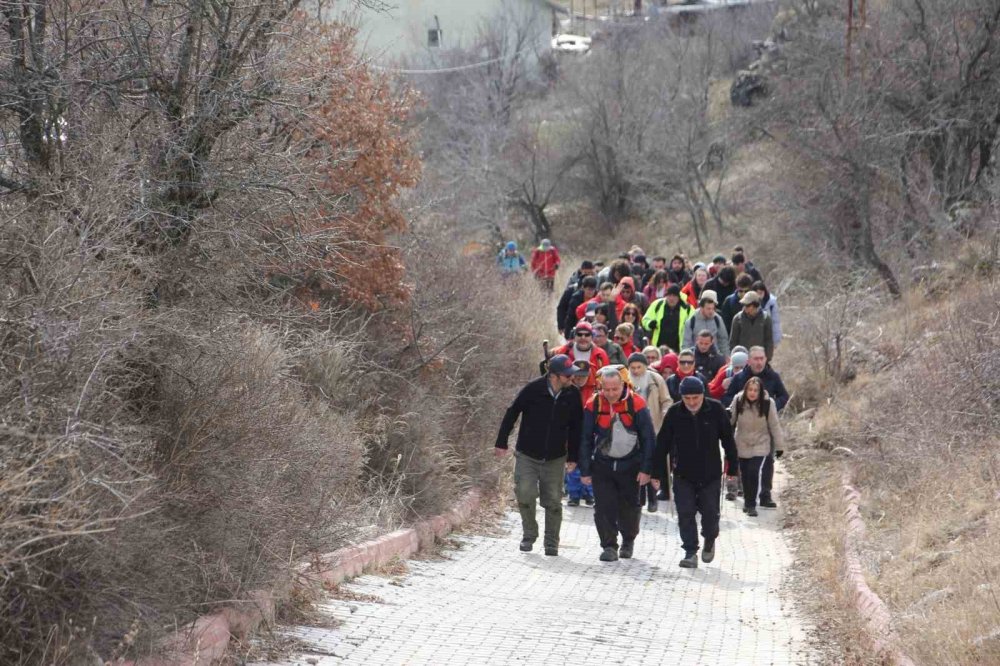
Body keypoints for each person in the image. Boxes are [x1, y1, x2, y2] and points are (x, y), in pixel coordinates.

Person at [495, 355, 587, 556]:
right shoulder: (533, 390)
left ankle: (551, 542)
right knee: (525, 493)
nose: (572, 378)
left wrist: (573, 457)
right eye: (567, 375)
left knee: (553, 500)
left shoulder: (572, 395)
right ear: (554, 375)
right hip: (527, 454)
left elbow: (577, 427)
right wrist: (501, 442)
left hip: (555, 457)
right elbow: (512, 413)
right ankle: (529, 534)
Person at [654, 376, 739, 568]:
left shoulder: (715, 409)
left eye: (696, 398)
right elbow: (662, 445)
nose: (692, 402)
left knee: (710, 514)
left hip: (710, 474)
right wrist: (657, 474)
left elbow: (728, 441)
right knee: (685, 512)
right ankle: (690, 551)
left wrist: (732, 468)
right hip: (683, 473)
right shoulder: (675, 413)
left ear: (702, 395)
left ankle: (710, 538)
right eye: (687, 398)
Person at [579, 367, 657, 562]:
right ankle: (608, 546)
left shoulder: (637, 404)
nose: (611, 394)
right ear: (601, 387)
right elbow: (585, 438)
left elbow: (648, 438)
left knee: (629, 507)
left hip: (631, 465)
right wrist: (585, 469)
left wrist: (647, 469)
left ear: (623, 385)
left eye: (615, 389)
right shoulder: (593, 404)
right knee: (603, 507)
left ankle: (628, 540)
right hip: (603, 465)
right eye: (607, 389)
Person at [723, 346, 790, 508]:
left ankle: (765, 494)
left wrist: (771, 407)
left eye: (762, 358)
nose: (759, 362)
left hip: (765, 427)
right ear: (749, 361)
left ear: (766, 359)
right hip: (744, 428)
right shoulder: (740, 378)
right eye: (756, 359)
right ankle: (747, 494)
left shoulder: (773, 377)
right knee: (746, 466)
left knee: (767, 461)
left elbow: (784, 396)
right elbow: (727, 397)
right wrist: (734, 408)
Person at [730, 376, 784, 517]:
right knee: (745, 474)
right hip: (742, 442)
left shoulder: (768, 403)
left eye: (756, 390)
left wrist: (779, 447)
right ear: (746, 390)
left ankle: (751, 504)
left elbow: (774, 425)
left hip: (761, 442)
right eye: (750, 390)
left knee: (754, 472)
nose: (752, 393)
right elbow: (731, 421)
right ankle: (747, 502)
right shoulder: (738, 400)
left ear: (760, 391)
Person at [628, 352, 669, 513]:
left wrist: (666, 412)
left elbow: (666, 400)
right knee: (636, 463)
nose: (636, 371)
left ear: (645, 366)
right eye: (633, 368)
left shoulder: (655, 379)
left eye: (639, 367)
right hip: (632, 427)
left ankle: (653, 498)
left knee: (651, 462)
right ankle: (639, 497)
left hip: (654, 426)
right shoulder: (625, 379)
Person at [552, 321, 610, 406]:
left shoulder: (600, 355)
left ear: (592, 337)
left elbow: (606, 379)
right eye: (579, 334)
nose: (583, 337)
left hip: (592, 401)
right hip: (566, 399)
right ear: (574, 336)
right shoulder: (562, 352)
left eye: (587, 335)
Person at [565, 360, 596, 507]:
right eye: (577, 376)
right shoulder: (568, 389)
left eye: (583, 376)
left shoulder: (596, 390)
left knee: (589, 462)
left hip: (590, 431)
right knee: (573, 463)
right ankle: (574, 494)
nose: (579, 379)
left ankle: (589, 493)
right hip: (573, 430)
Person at [642, 283, 692, 353]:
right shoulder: (657, 304)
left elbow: (693, 325)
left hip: (678, 349)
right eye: (669, 295)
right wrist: (649, 324)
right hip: (658, 349)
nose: (671, 298)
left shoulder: (688, 309)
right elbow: (645, 319)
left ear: (679, 297)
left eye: (674, 296)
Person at [682, 290, 730, 357]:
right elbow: (686, 344)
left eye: (713, 308)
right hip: (696, 359)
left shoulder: (718, 319)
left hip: (714, 359)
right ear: (701, 308)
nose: (711, 311)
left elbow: (723, 341)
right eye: (708, 309)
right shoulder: (691, 321)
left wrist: (727, 357)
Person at [729, 291, 774, 361]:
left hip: (759, 358)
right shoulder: (737, 318)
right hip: (743, 358)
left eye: (748, 305)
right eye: (744, 305)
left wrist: (767, 358)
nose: (745, 307)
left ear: (755, 305)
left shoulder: (765, 318)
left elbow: (769, 340)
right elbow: (733, 341)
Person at [753, 280, 782, 350]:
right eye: (757, 293)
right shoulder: (749, 303)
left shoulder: (771, 303)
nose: (759, 295)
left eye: (761, 293)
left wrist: (775, 340)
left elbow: (775, 322)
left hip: (767, 337)